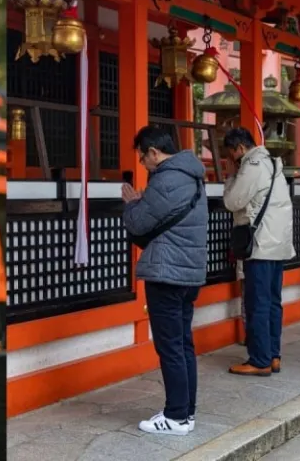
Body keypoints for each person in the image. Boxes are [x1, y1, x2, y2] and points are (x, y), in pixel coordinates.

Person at [121, 126, 208, 436]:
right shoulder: (193, 175)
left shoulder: (165, 180)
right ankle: (186, 412)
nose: (143, 164)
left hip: (166, 274)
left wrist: (132, 203)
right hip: (189, 273)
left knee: (170, 346)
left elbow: (138, 223)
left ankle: (174, 416)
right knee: (183, 344)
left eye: (143, 158)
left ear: (154, 152)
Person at [222, 127, 295, 377]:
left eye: (231, 154)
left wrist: (231, 177)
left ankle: (260, 359)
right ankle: (273, 355)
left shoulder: (252, 165)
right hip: (277, 244)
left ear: (239, 148)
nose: (232, 160)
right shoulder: (273, 164)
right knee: (273, 302)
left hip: (260, 245)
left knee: (257, 304)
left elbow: (232, 202)